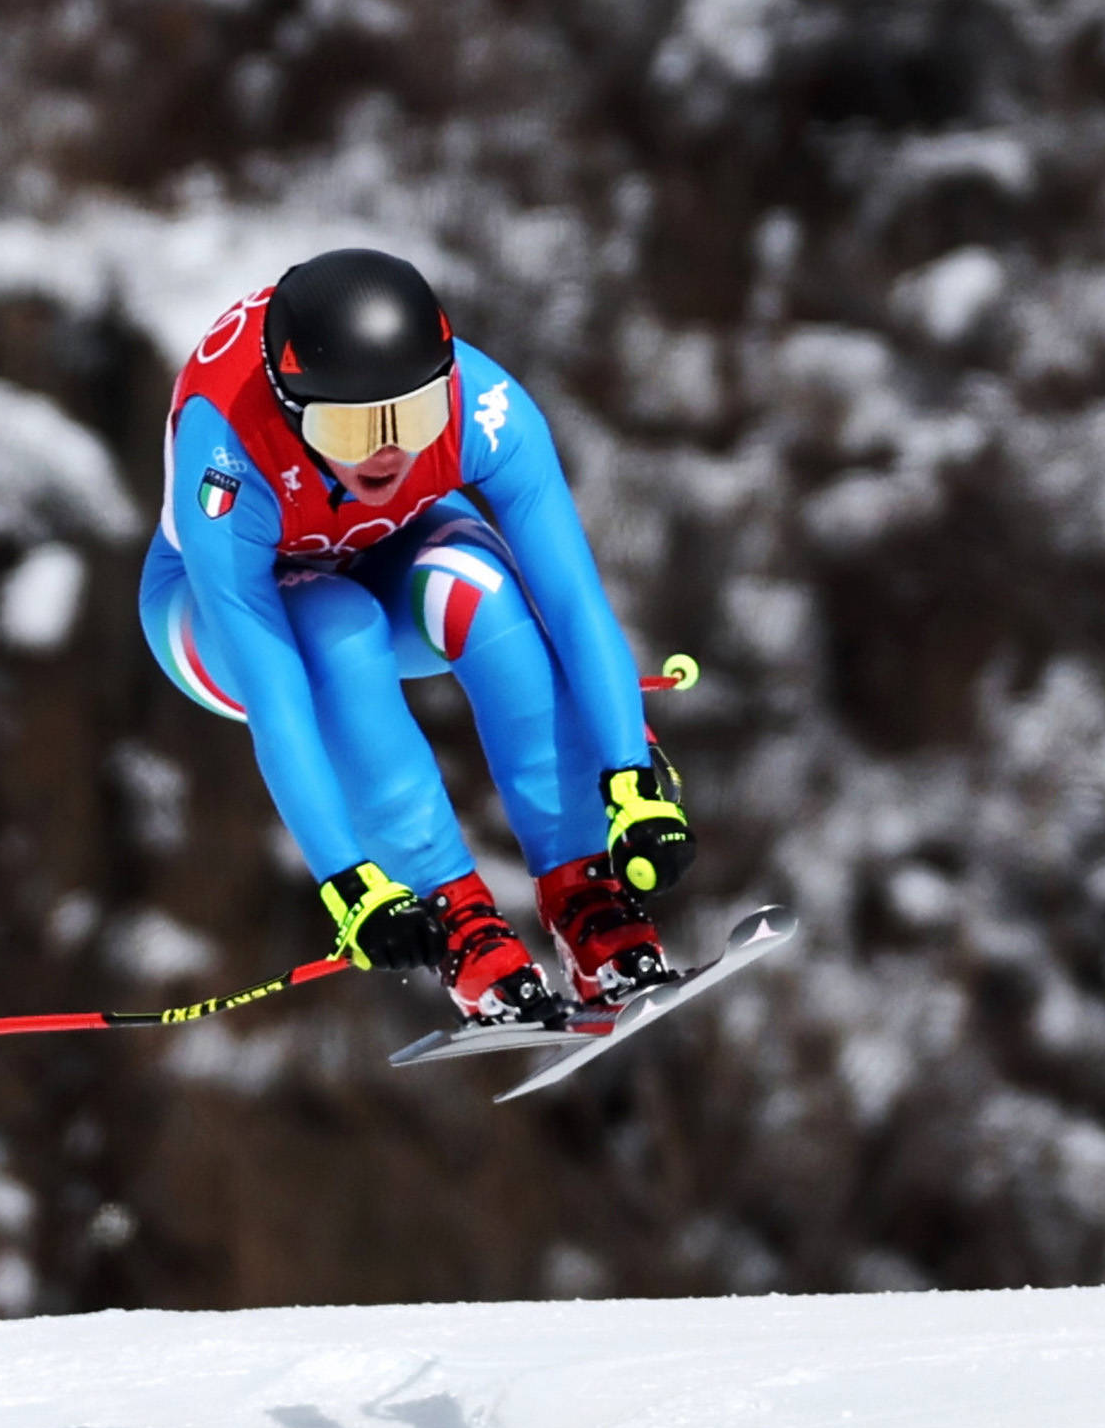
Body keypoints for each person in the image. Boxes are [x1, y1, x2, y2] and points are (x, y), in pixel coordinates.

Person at [137, 248, 695, 1033]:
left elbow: (574, 603)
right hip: (211, 621)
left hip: (379, 554)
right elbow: (277, 699)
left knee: (483, 588)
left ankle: (585, 892)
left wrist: (631, 781)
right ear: (294, 411)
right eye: (351, 427)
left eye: (412, 417)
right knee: (337, 628)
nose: (387, 451)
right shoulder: (228, 451)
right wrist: (349, 881)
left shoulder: (484, 402)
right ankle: (458, 922)